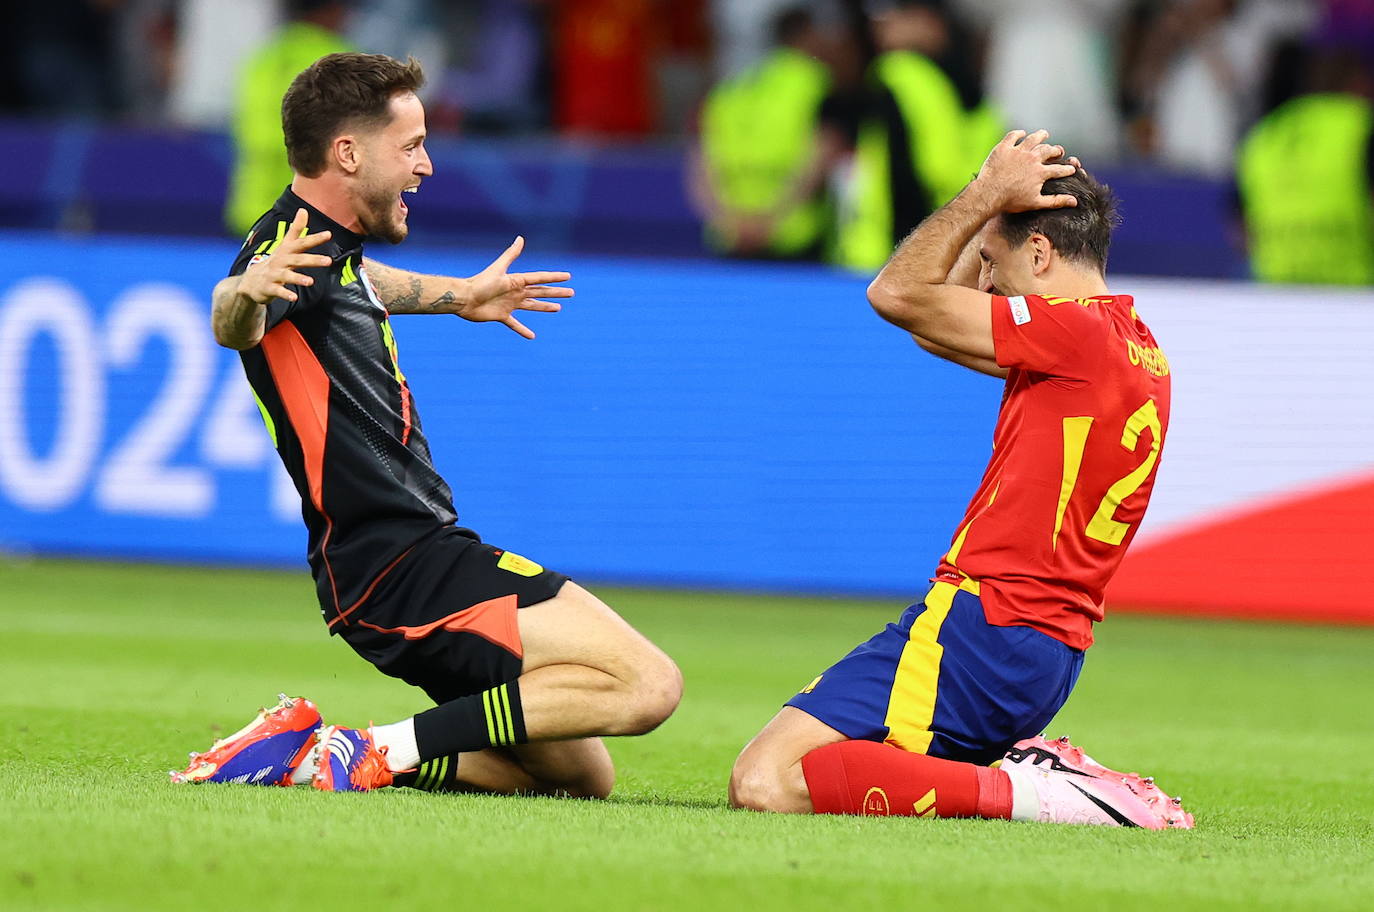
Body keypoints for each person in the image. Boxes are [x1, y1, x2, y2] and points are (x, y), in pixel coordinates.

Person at [175, 53, 682, 795]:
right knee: (646, 685)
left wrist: (460, 296)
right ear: (348, 153)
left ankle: (310, 754)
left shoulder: (324, 250)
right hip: (401, 564)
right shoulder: (281, 255)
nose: (427, 165)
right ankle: (370, 750)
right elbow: (236, 323)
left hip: (387, 568)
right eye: (411, 146)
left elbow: (361, 284)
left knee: (578, 776)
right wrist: (241, 292)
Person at [730, 129, 1193, 829]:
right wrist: (987, 228)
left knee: (767, 780)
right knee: (821, 773)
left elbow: (896, 294)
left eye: (993, 261)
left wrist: (983, 194)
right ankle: (1032, 778)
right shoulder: (1131, 346)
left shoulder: (1073, 335)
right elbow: (931, 324)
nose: (987, 278)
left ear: (1039, 252)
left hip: (986, 625)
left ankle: (1049, 794)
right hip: (1039, 645)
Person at [830, 0, 971, 272]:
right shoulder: (952, 80)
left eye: (893, 15)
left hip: (891, 245)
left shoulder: (903, 71)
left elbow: (936, 168)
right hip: (936, 241)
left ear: (928, 20)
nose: (880, 24)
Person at [690, 5, 832, 259]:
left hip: (731, 235)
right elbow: (822, 156)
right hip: (793, 237)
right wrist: (770, 221)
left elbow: (701, 162)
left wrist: (728, 219)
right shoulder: (817, 82)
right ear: (809, 35)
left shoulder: (731, 88)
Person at [1236, 40, 1374, 285]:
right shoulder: (1361, 125)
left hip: (1279, 289)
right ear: (1358, 84)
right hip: (1355, 292)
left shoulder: (1266, 132)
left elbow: (1240, 225)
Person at [224, 0, 355, 236]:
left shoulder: (263, 56)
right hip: (315, 214)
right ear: (332, 11)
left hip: (252, 211)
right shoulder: (340, 60)